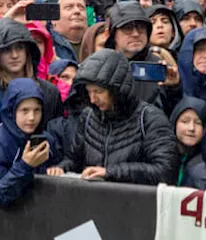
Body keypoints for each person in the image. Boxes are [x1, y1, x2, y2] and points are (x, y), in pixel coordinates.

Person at [52, 48, 177, 184]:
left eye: (98, 91)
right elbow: (74, 159)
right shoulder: (88, 117)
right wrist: (61, 168)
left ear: (117, 90)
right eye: (89, 92)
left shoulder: (150, 119)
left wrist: (111, 172)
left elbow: (165, 171)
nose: (93, 99)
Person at [0, 77, 62, 209]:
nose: (32, 118)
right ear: (12, 111)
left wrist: (58, 169)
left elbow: (64, 163)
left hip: (44, 217)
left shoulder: (46, 140)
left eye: (37, 110)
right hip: (8, 222)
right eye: (24, 110)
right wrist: (25, 166)